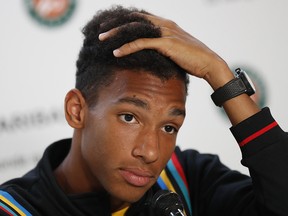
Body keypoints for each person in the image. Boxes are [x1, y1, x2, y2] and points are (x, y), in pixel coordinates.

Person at [0, 5, 287, 216]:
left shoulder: (186, 178)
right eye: (130, 117)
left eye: (168, 127)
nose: (150, 152)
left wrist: (219, 75)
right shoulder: (13, 209)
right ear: (77, 110)